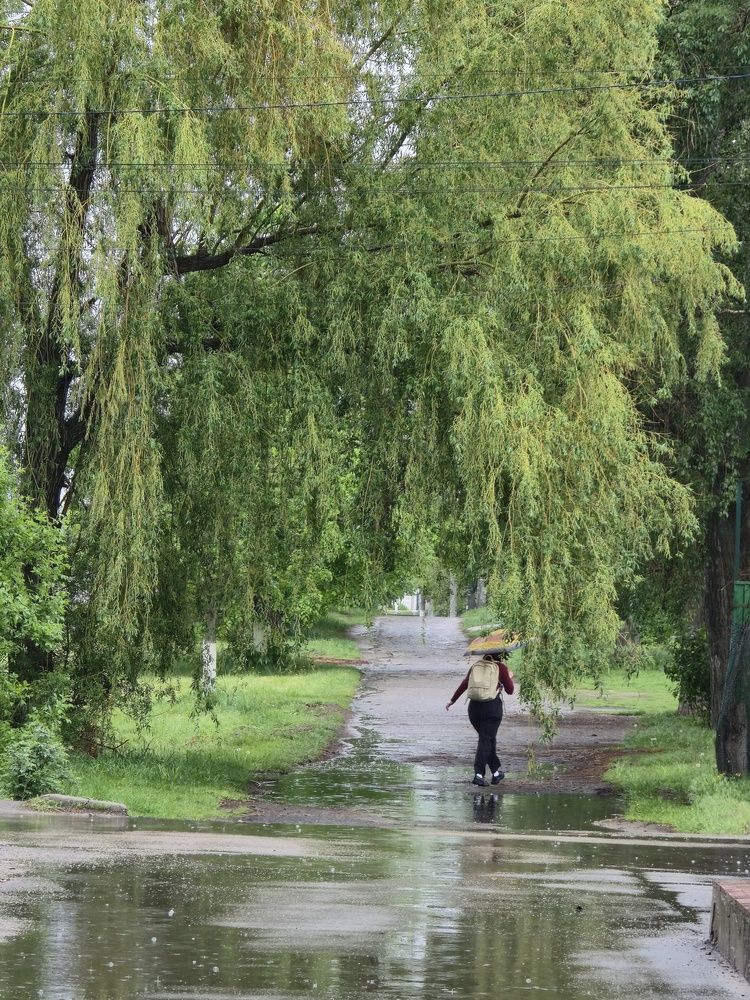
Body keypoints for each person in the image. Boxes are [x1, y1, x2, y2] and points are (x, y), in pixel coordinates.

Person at [445, 653, 514, 787]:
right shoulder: (500, 667)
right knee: (486, 740)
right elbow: (510, 690)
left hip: (474, 709)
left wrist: (452, 700)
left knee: (487, 739)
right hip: (492, 709)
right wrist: (509, 677)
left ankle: (495, 774)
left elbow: (465, 683)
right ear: (501, 655)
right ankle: (478, 774)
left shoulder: (475, 666)